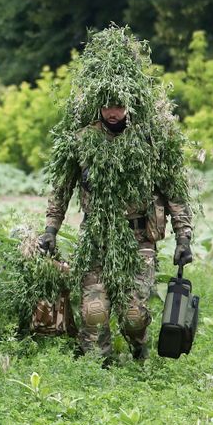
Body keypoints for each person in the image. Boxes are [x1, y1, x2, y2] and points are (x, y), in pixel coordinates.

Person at [39, 27, 194, 364]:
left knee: (134, 315)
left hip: (139, 240)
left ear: (129, 103)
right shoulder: (82, 140)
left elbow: (174, 192)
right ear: (98, 105)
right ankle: (98, 366)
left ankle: (139, 352)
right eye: (107, 106)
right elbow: (62, 189)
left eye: (119, 105)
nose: (113, 112)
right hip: (96, 237)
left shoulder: (151, 142)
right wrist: (50, 229)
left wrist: (184, 238)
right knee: (94, 312)